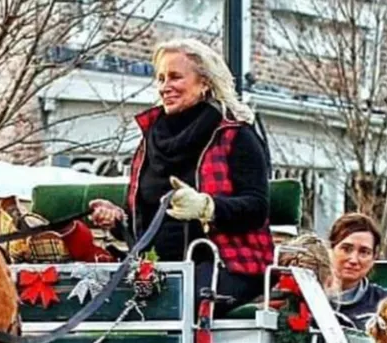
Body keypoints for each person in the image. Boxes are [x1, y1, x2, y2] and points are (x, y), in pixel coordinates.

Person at [88, 38, 273, 313]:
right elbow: (146, 217)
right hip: (155, 265)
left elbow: (257, 208)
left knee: (178, 301)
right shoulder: (150, 140)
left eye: (175, 77)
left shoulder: (237, 135)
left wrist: (207, 207)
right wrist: (117, 218)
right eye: (161, 78)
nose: (165, 86)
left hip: (226, 263)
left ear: (205, 83)